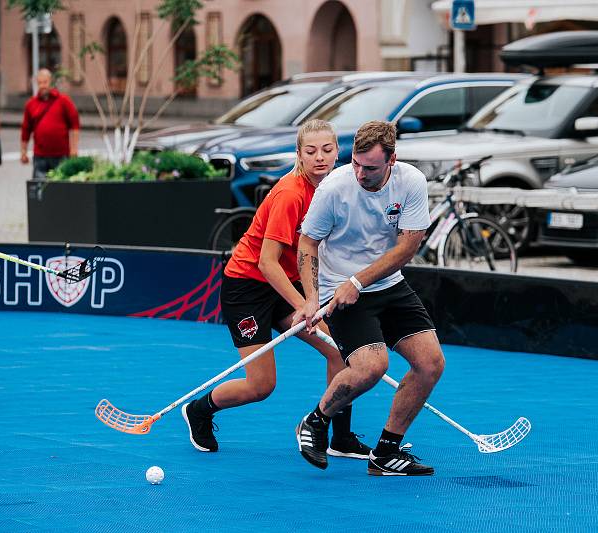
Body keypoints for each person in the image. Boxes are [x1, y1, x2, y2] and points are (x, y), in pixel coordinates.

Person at [181, 119, 370, 459]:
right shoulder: (290, 194)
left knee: (339, 352)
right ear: (298, 154)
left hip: (287, 281)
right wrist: (304, 304)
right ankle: (200, 410)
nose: (319, 158)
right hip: (248, 287)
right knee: (261, 386)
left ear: (338, 152)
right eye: (310, 151)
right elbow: (267, 262)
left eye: (327, 150)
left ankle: (337, 437)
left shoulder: (334, 188)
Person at [294, 120, 445, 475]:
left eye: (371, 167)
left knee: (431, 364)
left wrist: (359, 281)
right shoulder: (333, 188)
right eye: (356, 164)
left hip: (385, 285)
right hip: (338, 289)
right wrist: (312, 297)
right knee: (371, 367)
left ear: (392, 159)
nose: (361, 173)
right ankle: (315, 422)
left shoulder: (411, 182)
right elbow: (307, 243)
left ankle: (387, 452)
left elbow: (408, 245)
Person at [20, 68, 80, 180]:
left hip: (61, 155)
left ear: (51, 82)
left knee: (61, 188)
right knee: (40, 189)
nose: (42, 86)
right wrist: (23, 152)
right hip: (40, 156)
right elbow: (26, 129)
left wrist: (74, 148)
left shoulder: (63, 101)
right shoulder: (31, 104)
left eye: (45, 82)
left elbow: (74, 124)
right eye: (40, 83)